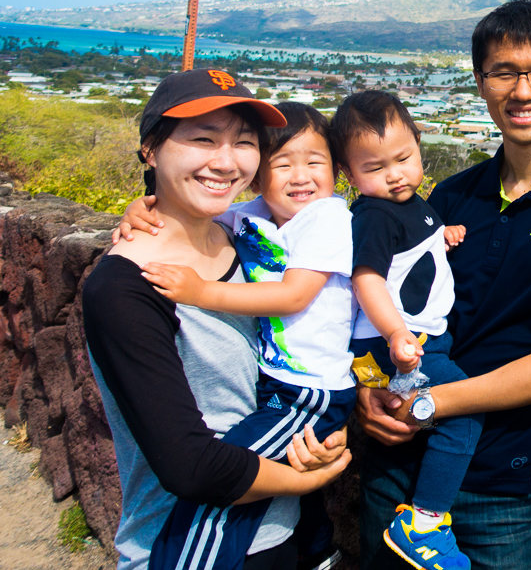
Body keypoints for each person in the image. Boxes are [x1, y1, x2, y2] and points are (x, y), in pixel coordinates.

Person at [357, 0, 531, 570]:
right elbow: (385, 306)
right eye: (504, 72)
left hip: (500, 487)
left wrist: (426, 405)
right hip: (397, 470)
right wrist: (370, 393)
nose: (523, 90)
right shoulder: (448, 198)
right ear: (481, 81)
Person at [84, 69, 351, 570]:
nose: (226, 162)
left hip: (277, 533)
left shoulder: (243, 238)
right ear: (151, 149)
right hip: (184, 544)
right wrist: (313, 476)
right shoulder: (124, 288)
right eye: (204, 139)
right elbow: (192, 466)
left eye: (245, 143)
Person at [326, 90, 478, 570]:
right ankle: (425, 522)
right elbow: (368, 278)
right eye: (374, 168)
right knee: (465, 414)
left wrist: (444, 237)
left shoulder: (418, 206)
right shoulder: (372, 215)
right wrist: (395, 334)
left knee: (430, 417)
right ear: (348, 175)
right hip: (399, 347)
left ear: (417, 144)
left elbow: (411, 261)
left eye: (404, 158)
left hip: (417, 341)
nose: (394, 175)